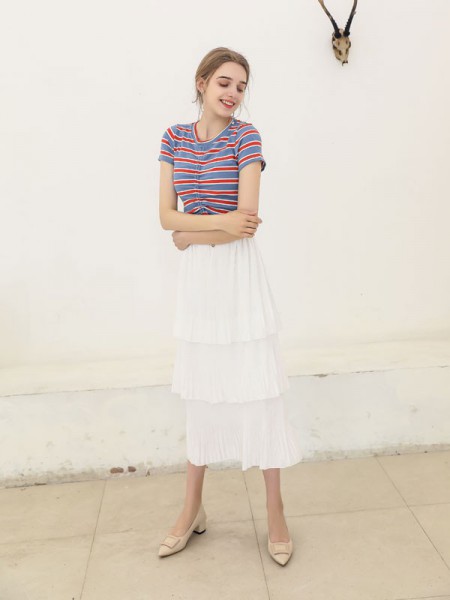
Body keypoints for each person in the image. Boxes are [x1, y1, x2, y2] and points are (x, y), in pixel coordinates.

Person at [157, 47, 302, 566]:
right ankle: (191, 507)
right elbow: (165, 217)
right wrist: (209, 226)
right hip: (200, 283)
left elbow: (247, 221)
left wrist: (191, 234)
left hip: (239, 278)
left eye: (241, 86)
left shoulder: (247, 137)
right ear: (201, 82)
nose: (233, 93)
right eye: (224, 82)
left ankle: (275, 510)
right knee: (201, 391)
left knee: (258, 392)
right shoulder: (173, 138)